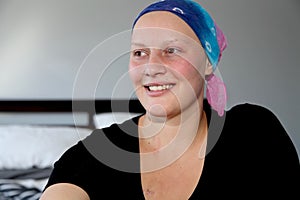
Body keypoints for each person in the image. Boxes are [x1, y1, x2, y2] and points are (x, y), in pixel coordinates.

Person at [40, 0, 300, 199]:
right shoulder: (92, 155)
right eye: (140, 52)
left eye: (171, 51)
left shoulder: (253, 132)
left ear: (209, 62)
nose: (151, 68)